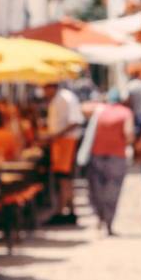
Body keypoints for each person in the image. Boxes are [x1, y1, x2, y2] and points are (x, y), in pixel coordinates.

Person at [76, 89, 135, 236]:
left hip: (97, 156)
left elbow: (82, 108)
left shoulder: (99, 110)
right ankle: (108, 223)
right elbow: (129, 135)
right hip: (117, 157)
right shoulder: (126, 112)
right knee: (113, 191)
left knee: (96, 189)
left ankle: (100, 218)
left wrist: (100, 102)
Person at [43, 82, 84, 223]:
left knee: (64, 179)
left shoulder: (65, 98)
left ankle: (64, 211)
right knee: (63, 179)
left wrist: (55, 135)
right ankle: (68, 210)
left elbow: (75, 121)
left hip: (66, 142)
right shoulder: (59, 98)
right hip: (62, 142)